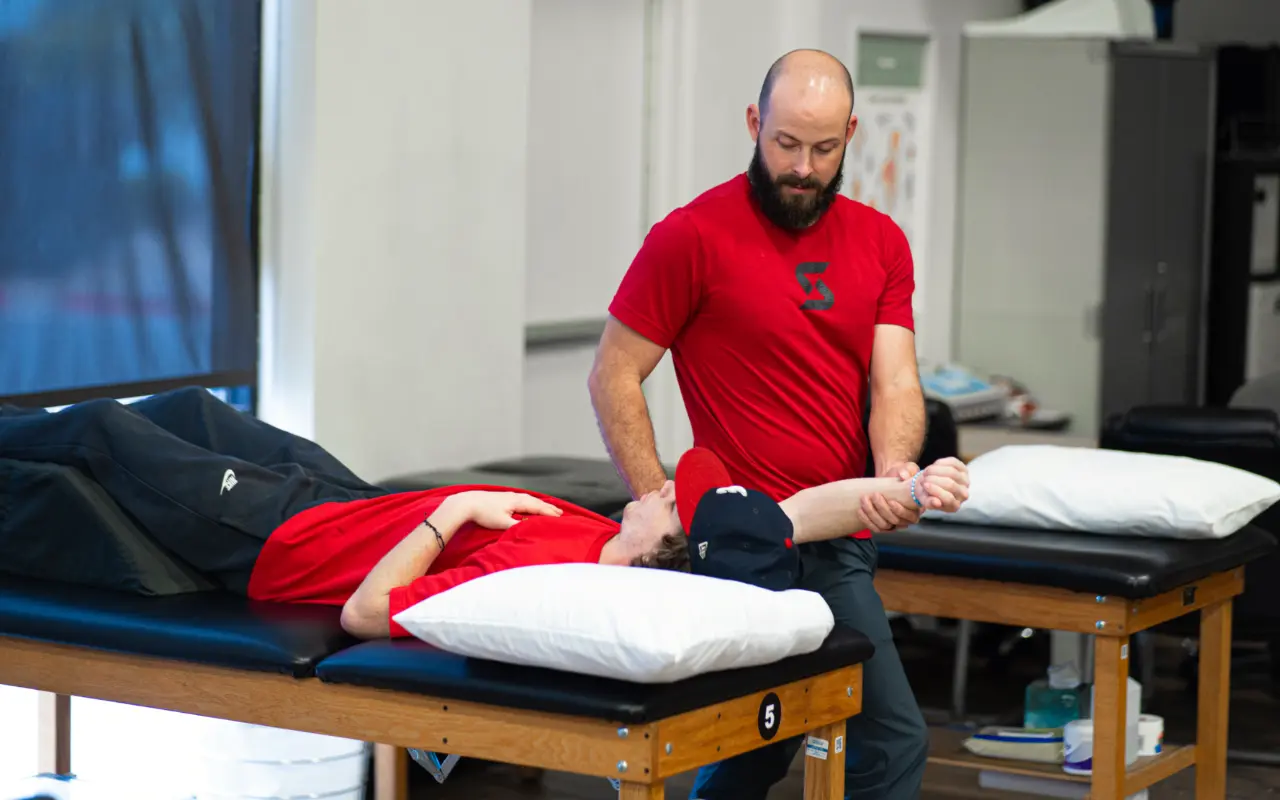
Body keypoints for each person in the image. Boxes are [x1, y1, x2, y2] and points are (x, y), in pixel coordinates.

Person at [589, 49, 932, 799]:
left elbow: (895, 379)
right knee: (850, 740)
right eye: (785, 144)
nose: (803, 168)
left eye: (823, 149)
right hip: (739, 545)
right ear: (754, 124)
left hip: (837, 538)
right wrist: (656, 502)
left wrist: (897, 469)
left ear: (850, 134)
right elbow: (613, 371)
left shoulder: (881, 243)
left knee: (824, 743)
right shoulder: (691, 236)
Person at [0, 387, 967, 642]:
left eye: (673, 495)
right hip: (352, 502)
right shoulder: (621, 537)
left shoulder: (543, 581)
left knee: (104, 434)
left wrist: (452, 511)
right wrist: (913, 486)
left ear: (667, 547)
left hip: (280, 543)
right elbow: (797, 514)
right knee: (191, 412)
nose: (665, 481)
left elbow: (366, 618)